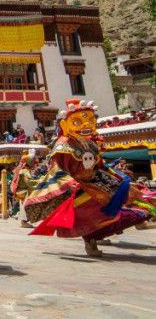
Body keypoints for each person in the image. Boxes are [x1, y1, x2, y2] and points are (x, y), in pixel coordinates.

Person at [23, 99, 148, 256]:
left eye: (90, 120)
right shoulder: (63, 145)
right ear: (65, 125)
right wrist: (74, 181)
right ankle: (91, 239)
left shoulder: (91, 143)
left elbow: (99, 164)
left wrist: (113, 174)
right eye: (78, 122)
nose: (86, 125)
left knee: (129, 192)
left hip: (97, 179)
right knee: (91, 211)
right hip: (78, 185)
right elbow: (59, 170)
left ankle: (134, 220)